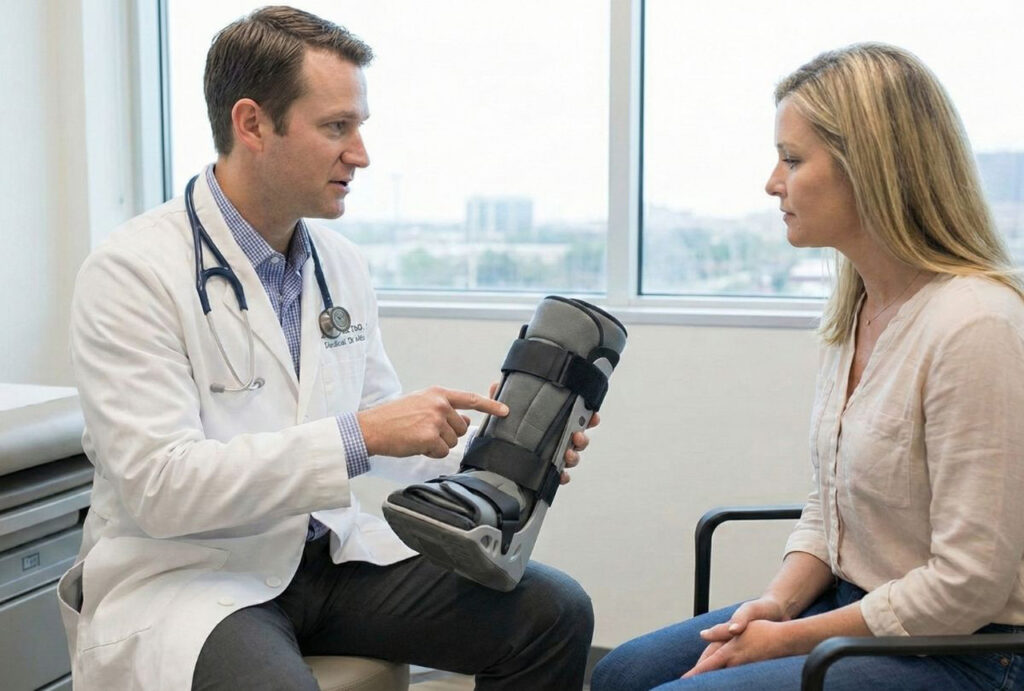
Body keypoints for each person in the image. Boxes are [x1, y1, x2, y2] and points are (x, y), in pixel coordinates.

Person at [58, 6, 595, 690]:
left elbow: (382, 426)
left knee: (555, 613)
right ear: (252, 124)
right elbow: (163, 487)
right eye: (336, 128)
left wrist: (509, 455)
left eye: (359, 127)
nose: (361, 154)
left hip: (329, 558)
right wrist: (360, 435)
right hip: (196, 575)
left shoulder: (337, 264)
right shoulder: (131, 272)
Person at [592, 43, 1024, 690]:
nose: (773, 182)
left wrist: (787, 639)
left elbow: (969, 582)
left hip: (964, 650)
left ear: (871, 168)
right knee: (622, 672)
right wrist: (777, 603)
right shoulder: (857, 310)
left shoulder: (976, 325)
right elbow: (828, 510)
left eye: (792, 160)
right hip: (855, 608)